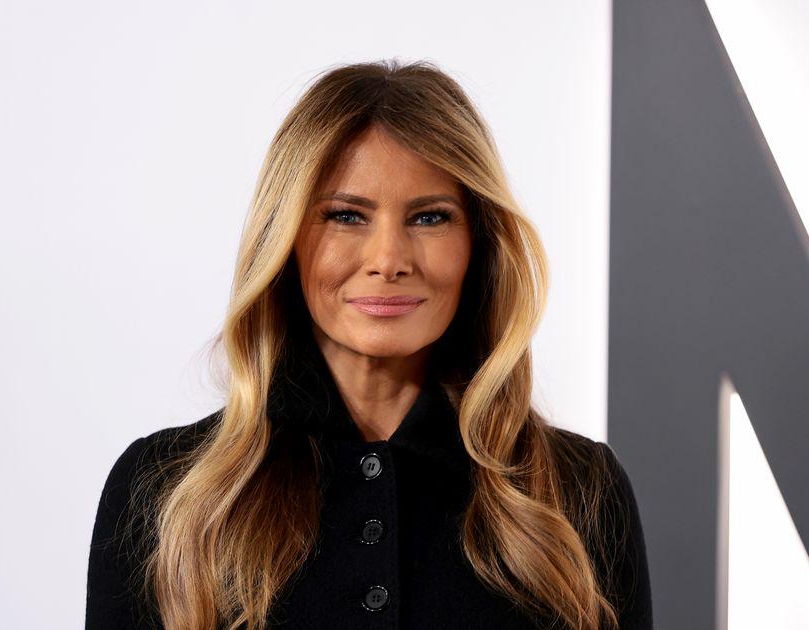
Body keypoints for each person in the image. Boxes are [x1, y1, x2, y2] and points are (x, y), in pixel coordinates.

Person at [85, 59, 652, 630]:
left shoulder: (579, 490)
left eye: (429, 218)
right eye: (346, 216)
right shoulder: (165, 490)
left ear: (478, 243)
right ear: (285, 239)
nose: (388, 260)